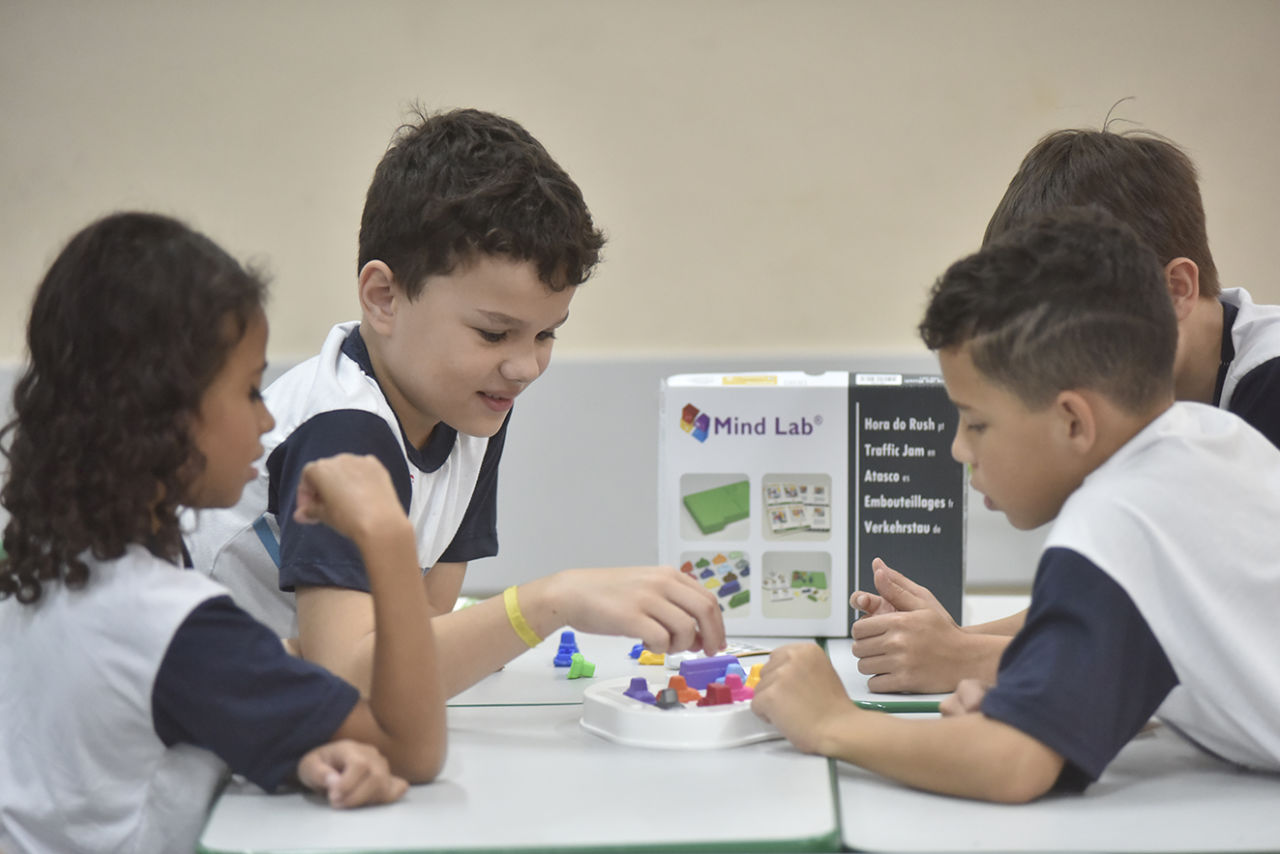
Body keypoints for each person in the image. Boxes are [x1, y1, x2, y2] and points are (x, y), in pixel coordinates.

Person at [188, 107, 725, 698]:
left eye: (546, 334)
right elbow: (350, 675)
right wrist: (550, 601)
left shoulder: (472, 407)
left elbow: (422, 628)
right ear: (384, 298)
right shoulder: (343, 431)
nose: (525, 368)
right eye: (494, 333)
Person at [752, 207, 1280, 802]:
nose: (958, 449)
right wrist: (1043, 697)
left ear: (1072, 421)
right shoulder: (1215, 441)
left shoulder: (1114, 520)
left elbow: (1015, 766)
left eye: (977, 423)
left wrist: (831, 721)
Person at [0, 213, 446, 854]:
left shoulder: (55, 557)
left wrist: (293, 753)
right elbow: (415, 749)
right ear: (166, 416)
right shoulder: (175, 627)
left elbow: (147, 730)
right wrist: (388, 539)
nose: (267, 421)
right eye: (248, 390)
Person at [851, 127, 1280, 693]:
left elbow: (1157, 652)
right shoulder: (1142, 420)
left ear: (1175, 289)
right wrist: (958, 641)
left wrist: (964, 659)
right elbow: (1120, 607)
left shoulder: (1260, 392)